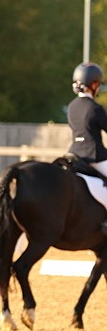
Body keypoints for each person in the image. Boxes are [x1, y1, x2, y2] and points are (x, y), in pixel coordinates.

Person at [67, 61, 107, 228]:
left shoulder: (71, 107)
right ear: (94, 84)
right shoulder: (95, 108)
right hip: (95, 157)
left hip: (74, 155)